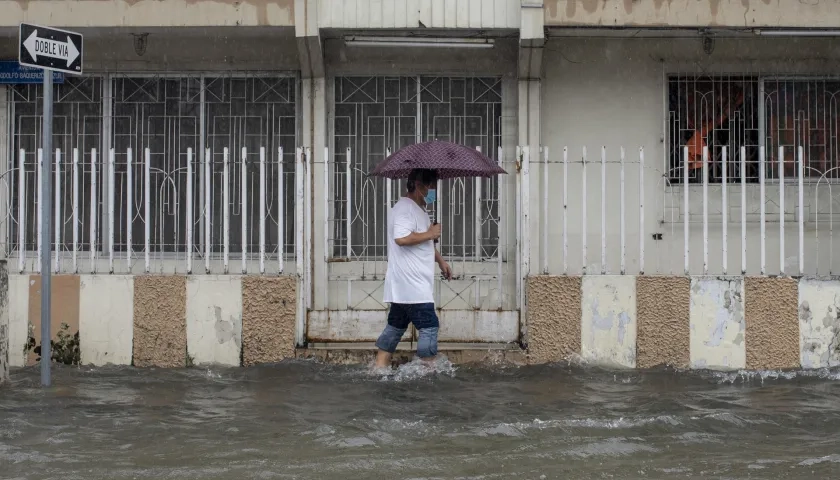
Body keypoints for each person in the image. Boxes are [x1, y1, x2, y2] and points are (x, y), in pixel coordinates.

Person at [375, 168, 452, 368]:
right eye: (431, 187)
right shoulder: (405, 209)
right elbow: (401, 238)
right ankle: (426, 374)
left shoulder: (419, 211)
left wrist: (440, 261)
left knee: (394, 328)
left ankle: (378, 370)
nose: (433, 191)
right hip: (413, 286)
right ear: (418, 186)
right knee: (429, 326)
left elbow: (421, 242)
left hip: (405, 287)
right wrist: (431, 233)